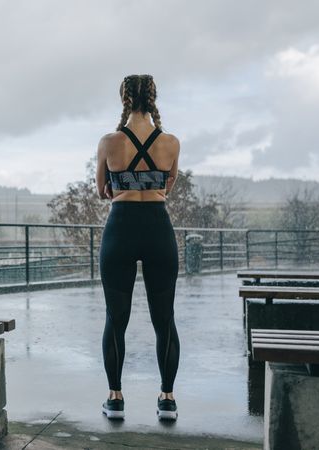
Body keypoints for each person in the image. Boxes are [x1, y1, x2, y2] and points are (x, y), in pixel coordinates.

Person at [95, 74, 181, 421]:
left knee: (116, 319)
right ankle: (167, 399)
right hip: (158, 228)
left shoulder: (109, 141)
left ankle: (115, 399)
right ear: (154, 98)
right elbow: (167, 185)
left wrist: (122, 185)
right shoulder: (172, 142)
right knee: (165, 319)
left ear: (124, 99)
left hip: (121, 228)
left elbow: (102, 190)